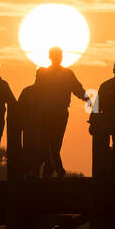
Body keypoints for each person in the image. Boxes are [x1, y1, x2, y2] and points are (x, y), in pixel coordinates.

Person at [33, 46, 87, 178]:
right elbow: (37, 93)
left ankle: (50, 170)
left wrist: (92, 102)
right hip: (52, 112)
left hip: (56, 112)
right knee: (52, 142)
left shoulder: (63, 74)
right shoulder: (49, 73)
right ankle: (56, 169)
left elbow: (78, 90)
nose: (58, 58)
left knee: (53, 143)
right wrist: (91, 102)